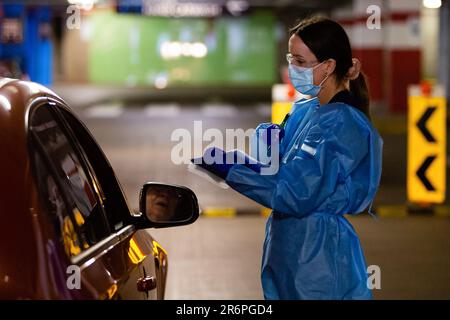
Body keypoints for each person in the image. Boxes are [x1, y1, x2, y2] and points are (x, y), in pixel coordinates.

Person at [193, 17, 383, 299]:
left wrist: (233, 170)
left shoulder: (342, 124)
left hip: (318, 258)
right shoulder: (308, 110)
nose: (292, 69)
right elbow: (279, 171)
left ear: (328, 66)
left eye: (300, 62)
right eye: (290, 58)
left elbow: (296, 192)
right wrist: (257, 152)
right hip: (288, 249)